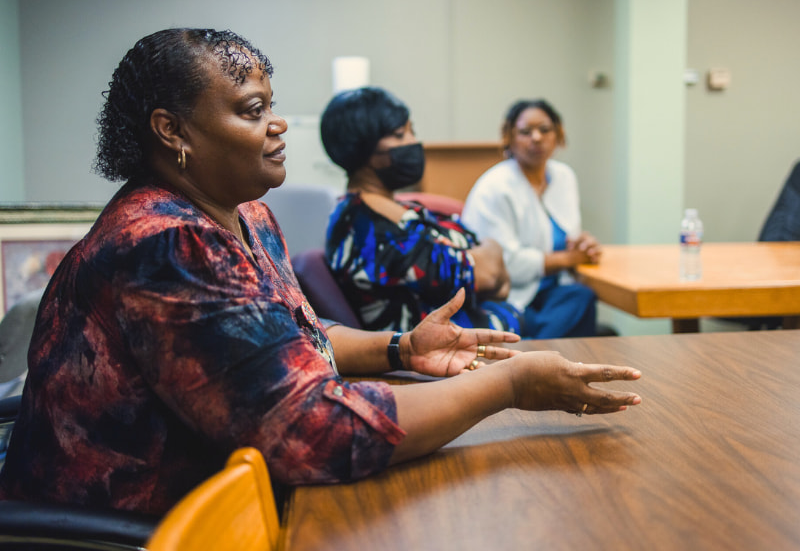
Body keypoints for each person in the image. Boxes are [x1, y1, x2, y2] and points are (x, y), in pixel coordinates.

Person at [0, 29, 640, 517]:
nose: (276, 124)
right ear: (172, 131)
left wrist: (402, 347)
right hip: (137, 522)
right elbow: (315, 432)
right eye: (251, 110)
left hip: (222, 495)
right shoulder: (165, 244)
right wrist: (511, 386)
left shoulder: (245, 213)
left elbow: (291, 339)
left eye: (270, 105)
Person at [320, 86, 522, 335]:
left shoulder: (394, 209)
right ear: (363, 148)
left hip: (489, 331)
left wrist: (492, 267)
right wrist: (493, 251)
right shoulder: (372, 228)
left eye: (411, 131)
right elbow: (490, 275)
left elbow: (490, 275)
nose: (413, 142)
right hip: (447, 356)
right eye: (399, 134)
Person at [462, 99, 602, 339]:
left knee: (582, 297)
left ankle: (541, 355)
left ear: (559, 134)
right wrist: (568, 258)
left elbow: (568, 237)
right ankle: (534, 361)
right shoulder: (495, 187)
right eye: (525, 132)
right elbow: (504, 266)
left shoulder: (564, 177)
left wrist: (583, 244)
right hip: (505, 296)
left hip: (549, 293)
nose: (536, 138)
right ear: (509, 137)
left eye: (545, 130)